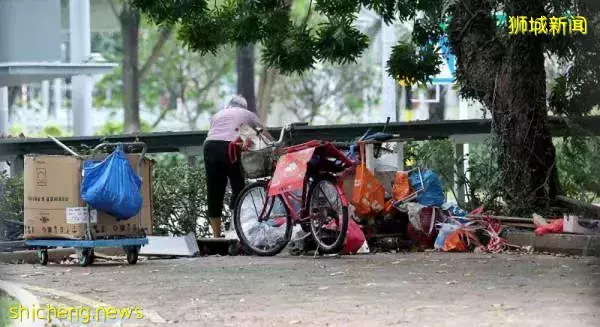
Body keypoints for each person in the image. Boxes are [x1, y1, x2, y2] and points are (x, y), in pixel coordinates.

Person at [203, 95, 270, 238]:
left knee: (214, 190)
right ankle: (237, 231)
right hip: (229, 148)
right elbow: (262, 132)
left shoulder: (217, 115)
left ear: (228, 105)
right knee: (238, 187)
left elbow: (216, 133)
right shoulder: (247, 114)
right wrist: (274, 146)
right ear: (243, 107)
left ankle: (216, 235)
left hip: (209, 146)